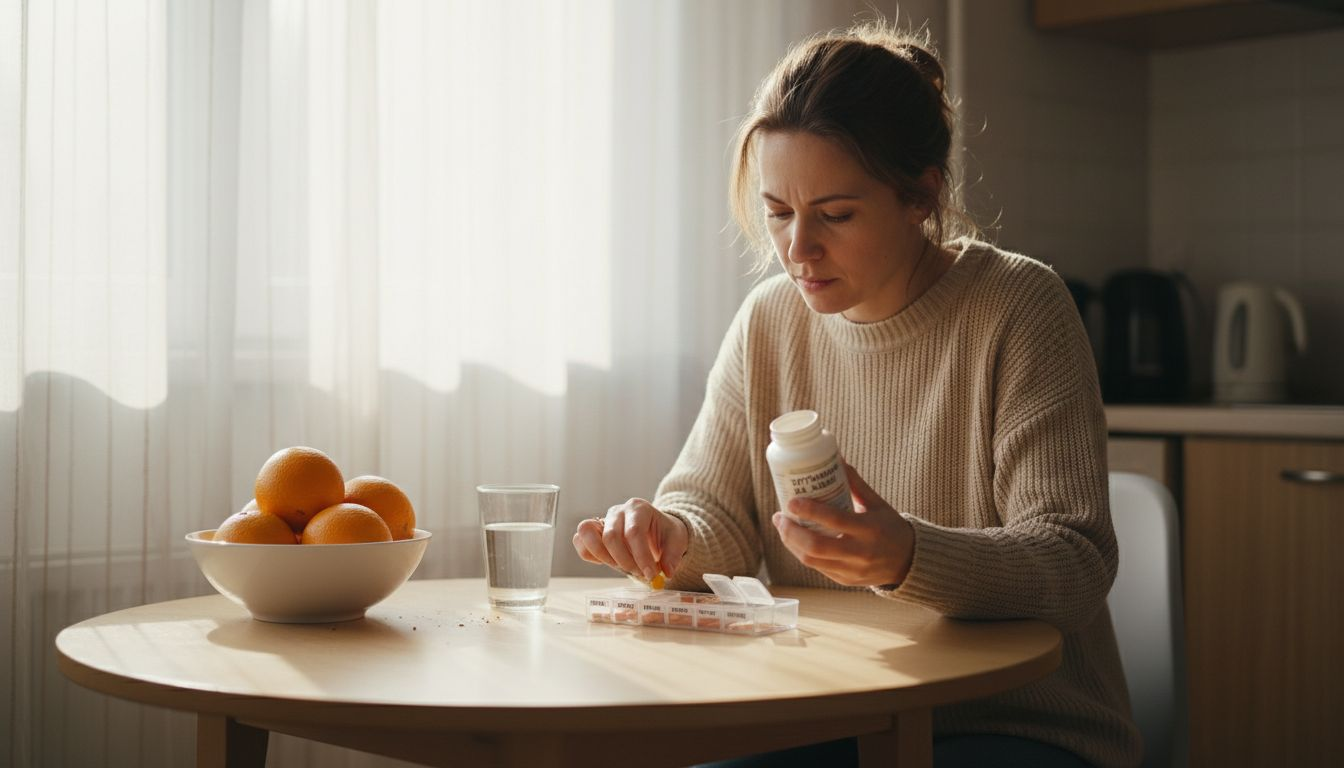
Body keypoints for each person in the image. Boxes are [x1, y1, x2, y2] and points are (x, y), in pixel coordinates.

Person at [572, 20, 1140, 768]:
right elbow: (718, 519)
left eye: (835, 215)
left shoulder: (1018, 307)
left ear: (921, 197)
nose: (797, 249)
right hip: (826, 713)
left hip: (1015, 723)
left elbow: (1074, 560)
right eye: (778, 213)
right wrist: (667, 534)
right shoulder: (769, 321)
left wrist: (910, 557)